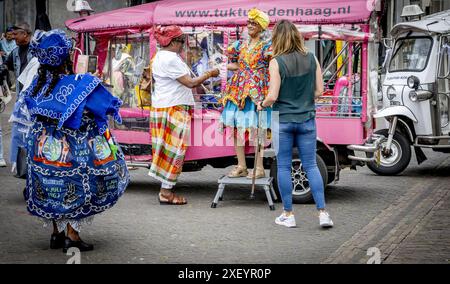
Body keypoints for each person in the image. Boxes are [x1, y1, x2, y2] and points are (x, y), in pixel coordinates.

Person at [23, 29, 130, 252]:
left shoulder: (36, 85)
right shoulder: (80, 84)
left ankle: (56, 234)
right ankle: (72, 235)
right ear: (66, 56)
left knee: (53, 186)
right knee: (77, 187)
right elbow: (106, 105)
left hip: (41, 148)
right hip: (72, 149)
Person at [258, 20, 334, 228]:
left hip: (282, 120)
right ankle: (323, 213)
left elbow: (272, 96)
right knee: (310, 165)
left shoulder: (276, 62)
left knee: (282, 165)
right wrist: (303, 100)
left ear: (277, 39)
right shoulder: (312, 59)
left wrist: (261, 104)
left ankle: (288, 214)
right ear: (297, 36)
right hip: (307, 119)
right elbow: (319, 91)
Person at [149, 25, 219, 205]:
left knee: (169, 151)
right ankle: (165, 192)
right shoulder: (169, 59)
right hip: (173, 109)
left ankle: (165, 189)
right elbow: (190, 82)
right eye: (182, 42)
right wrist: (210, 73)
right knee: (174, 152)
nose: (183, 45)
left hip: (169, 107)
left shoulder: (163, 56)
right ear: (173, 42)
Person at [220, 8, 272, 179]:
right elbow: (238, 65)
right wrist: (222, 67)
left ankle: (259, 167)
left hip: (257, 92)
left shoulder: (267, 47)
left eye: (254, 23)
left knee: (257, 128)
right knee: (237, 127)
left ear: (262, 27)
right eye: (249, 22)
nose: (249, 25)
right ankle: (241, 165)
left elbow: (274, 67)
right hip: (238, 90)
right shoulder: (239, 45)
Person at [4, 23, 33, 176]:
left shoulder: (36, 50)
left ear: (26, 34)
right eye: (13, 34)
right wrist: (3, 69)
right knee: (19, 132)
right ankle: (20, 165)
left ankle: (33, 164)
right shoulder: (15, 52)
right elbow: (7, 66)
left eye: (16, 34)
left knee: (32, 132)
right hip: (21, 98)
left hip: (35, 99)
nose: (13, 37)